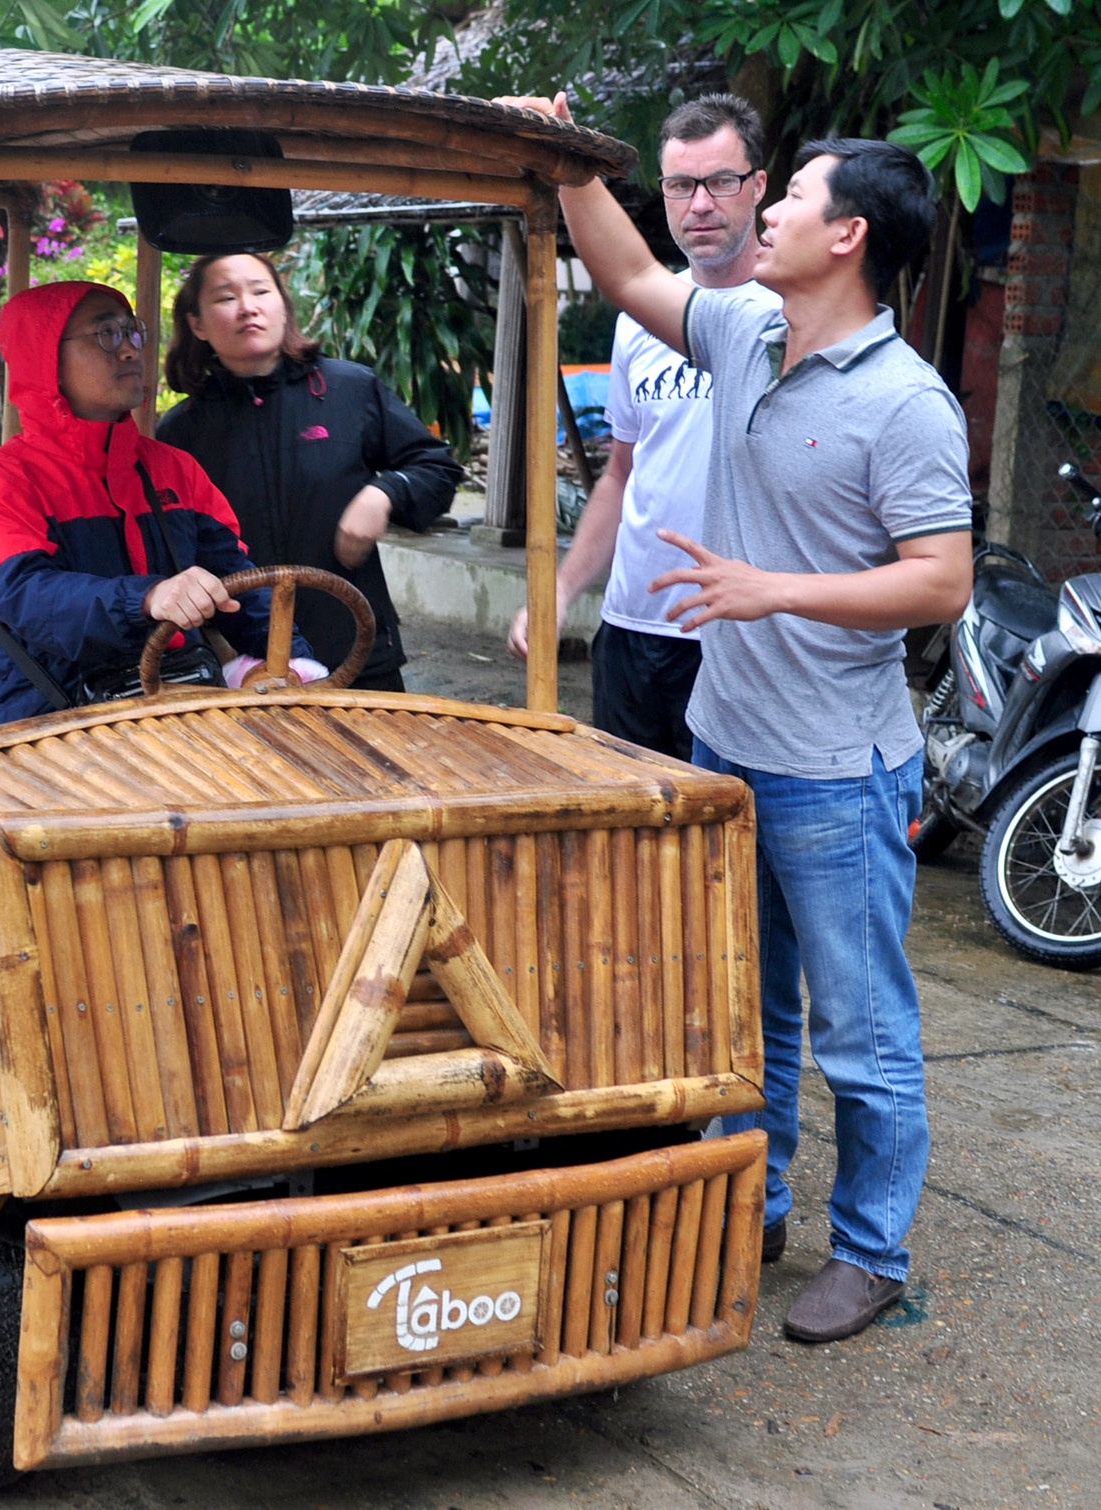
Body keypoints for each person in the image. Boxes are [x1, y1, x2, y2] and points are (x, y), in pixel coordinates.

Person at [497, 93, 972, 1344]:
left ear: (849, 235)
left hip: (834, 769)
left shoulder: (909, 402)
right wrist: (561, 154)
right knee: (742, 1009)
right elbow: (628, 267)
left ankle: (870, 1251)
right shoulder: (750, 332)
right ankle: (748, 1201)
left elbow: (941, 579)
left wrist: (772, 590)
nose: (764, 211)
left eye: (793, 197)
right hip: (729, 742)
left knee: (862, 1034)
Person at [507, 95, 780, 762]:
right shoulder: (642, 323)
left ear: (759, 187)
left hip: (738, 634)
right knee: (630, 845)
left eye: (721, 181)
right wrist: (563, 590)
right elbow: (623, 475)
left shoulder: (791, 314)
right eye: (682, 185)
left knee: (724, 844)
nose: (701, 205)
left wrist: (566, 156)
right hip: (631, 631)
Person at [0, 279, 322, 726]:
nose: (130, 350)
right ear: (43, 358)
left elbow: (239, 587)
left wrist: (296, 668)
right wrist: (147, 597)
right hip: (44, 727)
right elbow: (29, 600)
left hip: (174, 712)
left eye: (132, 332)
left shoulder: (175, 469)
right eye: (106, 334)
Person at [157, 252, 463, 692]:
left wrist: (385, 493)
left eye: (261, 291)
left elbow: (436, 466)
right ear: (197, 324)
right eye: (226, 297)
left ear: (283, 306)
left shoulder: (349, 389)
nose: (248, 306)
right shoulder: (180, 432)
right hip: (245, 667)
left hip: (357, 649)